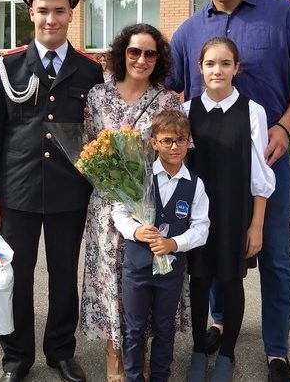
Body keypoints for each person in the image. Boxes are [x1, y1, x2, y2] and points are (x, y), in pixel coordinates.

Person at [167, 0, 290, 382]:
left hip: (266, 157)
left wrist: (286, 125)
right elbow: (171, 92)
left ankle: (277, 350)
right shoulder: (188, 31)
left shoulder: (282, 13)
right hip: (207, 167)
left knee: (272, 252)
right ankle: (219, 325)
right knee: (210, 247)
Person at [0, 0, 103, 382]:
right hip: (18, 192)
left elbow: (95, 134)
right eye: (44, 10)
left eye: (59, 11)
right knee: (15, 278)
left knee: (64, 277)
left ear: (71, 14)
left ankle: (61, 353)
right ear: (30, 13)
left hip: (69, 194)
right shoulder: (8, 66)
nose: (52, 19)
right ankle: (16, 358)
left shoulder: (89, 70)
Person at [79, 23, 187, 381]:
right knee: (111, 282)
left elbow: (175, 152)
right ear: (122, 53)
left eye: (150, 53)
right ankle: (115, 359)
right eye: (134, 51)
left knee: (147, 281)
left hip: (151, 207)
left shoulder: (167, 100)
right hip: (107, 208)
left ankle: (141, 358)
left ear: (159, 58)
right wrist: (110, 181)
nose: (142, 59)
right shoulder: (98, 96)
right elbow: (88, 149)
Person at [183, 37, 275, 381]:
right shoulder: (187, 111)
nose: (217, 70)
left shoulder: (252, 111)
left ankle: (227, 354)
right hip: (195, 216)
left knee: (231, 281)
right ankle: (197, 350)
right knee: (198, 280)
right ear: (200, 68)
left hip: (235, 212)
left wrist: (256, 225)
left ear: (237, 68)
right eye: (210, 63)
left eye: (225, 63)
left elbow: (260, 176)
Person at [112, 109, 210, 382]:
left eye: (181, 140)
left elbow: (201, 228)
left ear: (189, 141)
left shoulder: (195, 185)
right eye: (167, 140)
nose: (174, 147)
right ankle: (133, 378)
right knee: (134, 329)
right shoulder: (138, 176)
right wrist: (136, 230)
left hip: (171, 272)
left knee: (165, 329)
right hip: (137, 268)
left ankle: (160, 377)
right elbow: (118, 212)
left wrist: (173, 244)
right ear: (154, 143)